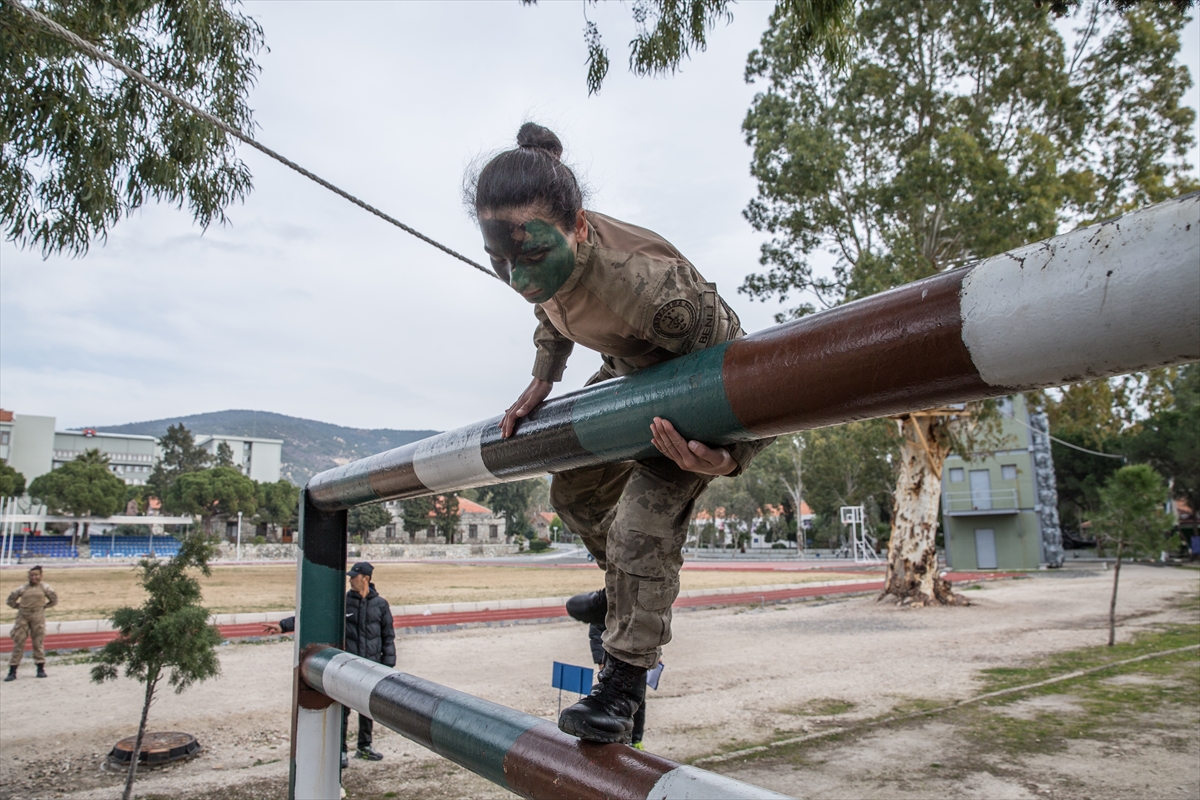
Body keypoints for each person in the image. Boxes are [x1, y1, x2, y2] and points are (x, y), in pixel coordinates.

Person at [468, 123, 771, 744]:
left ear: (579, 228)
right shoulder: (541, 250)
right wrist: (541, 381)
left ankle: (624, 684)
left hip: (693, 389)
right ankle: (619, 596)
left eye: (528, 259)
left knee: (640, 528)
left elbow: (743, 367)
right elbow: (549, 305)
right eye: (500, 261)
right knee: (573, 492)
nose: (518, 278)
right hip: (629, 372)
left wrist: (725, 457)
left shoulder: (649, 289)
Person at [264, 561, 395, 765]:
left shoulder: (381, 605)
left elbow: (388, 636)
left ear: (366, 579)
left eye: (354, 576)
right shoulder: (342, 603)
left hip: (372, 666)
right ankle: (341, 751)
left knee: (367, 709)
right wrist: (282, 626)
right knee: (343, 710)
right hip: (349, 667)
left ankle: (365, 746)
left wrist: (388, 664)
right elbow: (314, 617)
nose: (350, 579)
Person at [567, 589, 647, 748]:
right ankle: (623, 594)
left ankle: (635, 739)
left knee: (637, 701)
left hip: (634, 657)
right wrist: (599, 659)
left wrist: (654, 652)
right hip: (613, 655)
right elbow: (595, 634)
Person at [6, 565, 57, 680]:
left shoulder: (45, 588)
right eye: (31, 575)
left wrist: (43, 607)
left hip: (38, 616)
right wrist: (19, 607)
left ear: (41, 576)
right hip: (23, 616)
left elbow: (54, 600)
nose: (34, 577)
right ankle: (13, 670)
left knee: (38, 642)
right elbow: (10, 600)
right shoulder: (22, 588)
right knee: (19, 642)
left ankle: (40, 667)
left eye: (36, 575)